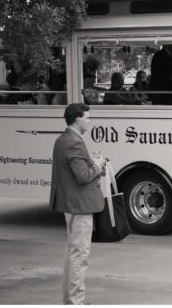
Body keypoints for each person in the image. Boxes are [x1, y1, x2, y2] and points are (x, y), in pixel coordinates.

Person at [50, 103, 108, 305]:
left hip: (69, 203)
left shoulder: (62, 140)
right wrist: (98, 166)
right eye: (87, 117)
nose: (89, 121)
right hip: (81, 204)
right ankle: (76, 300)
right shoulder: (74, 142)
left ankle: (69, 299)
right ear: (77, 119)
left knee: (72, 252)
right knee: (80, 255)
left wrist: (90, 163)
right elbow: (82, 176)